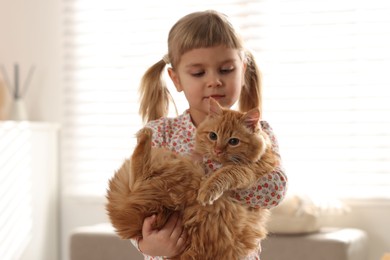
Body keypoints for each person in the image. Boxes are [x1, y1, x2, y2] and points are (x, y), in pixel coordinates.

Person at [131, 10, 288, 260]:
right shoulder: (160, 134)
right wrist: (145, 245)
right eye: (198, 73)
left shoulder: (259, 132)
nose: (214, 81)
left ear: (243, 70)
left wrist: (218, 181)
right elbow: (135, 198)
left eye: (226, 70)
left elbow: (275, 190)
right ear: (176, 78)